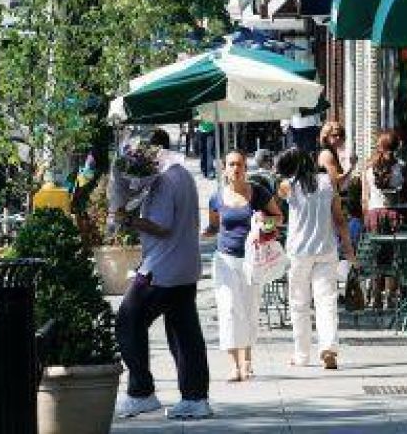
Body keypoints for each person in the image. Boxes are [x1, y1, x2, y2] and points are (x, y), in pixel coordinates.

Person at [115, 128, 212, 421]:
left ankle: (141, 392)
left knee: (128, 320)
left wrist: (130, 220)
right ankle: (195, 398)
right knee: (184, 333)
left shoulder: (163, 181)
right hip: (186, 267)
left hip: (161, 269)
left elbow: (161, 225)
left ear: (153, 153)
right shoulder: (183, 174)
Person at [204, 150, 283, 382]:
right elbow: (214, 227)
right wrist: (196, 233)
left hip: (252, 260)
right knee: (228, 310)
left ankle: (247, 359)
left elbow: (279, 217)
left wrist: (263, 220)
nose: (236, 169)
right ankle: (233, 365)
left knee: (249, 308)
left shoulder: (258, 192)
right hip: (225, 260)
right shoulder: (216, 198)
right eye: (231, 164)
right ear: (224, 169)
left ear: (245, 168)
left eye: (239, 164)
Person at [276, 147, 355, 370]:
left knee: (299, 304)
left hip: (299, 252)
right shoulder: (327, 183)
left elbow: (280, 191)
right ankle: (328, 347)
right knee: (326, 300)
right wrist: (348, 249)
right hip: (326, 249)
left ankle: (301, 355)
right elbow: (339, 220)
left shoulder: (288, 186)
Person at [361, 130, 407, 309]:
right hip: (395, 213)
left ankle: (376, 297)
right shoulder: (402, 166)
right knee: (395, 255)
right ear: (398, 147)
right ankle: (391, 296)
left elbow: (364, 199)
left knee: (377, 256)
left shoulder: (368, 167)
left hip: (374, 214)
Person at [317, 121, 359, 194]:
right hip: (329, 198)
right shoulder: (327, 155)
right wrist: (351, 167)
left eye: (341, 134)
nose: (338, 137)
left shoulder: (333, 153)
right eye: (334, 135)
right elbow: (336, 181)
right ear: (326, 137)